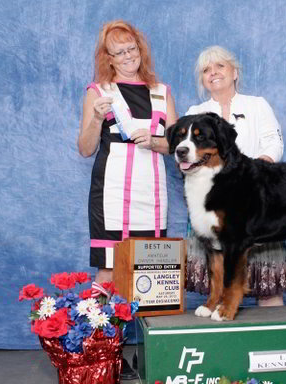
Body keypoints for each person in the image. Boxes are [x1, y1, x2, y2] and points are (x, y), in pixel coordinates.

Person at [78, 20, 177, 379]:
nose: (127, 56)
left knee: (150, 275)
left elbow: (178, 147)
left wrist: (156, 142)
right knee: (109, 271)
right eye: (119, 52)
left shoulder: (161, 91)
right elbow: (85, 148)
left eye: (132, 49)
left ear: (141, 49)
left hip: (152, 195)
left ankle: (147, 358)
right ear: (108, 57)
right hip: (111, 195)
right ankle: (98, 354)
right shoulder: (98, 91)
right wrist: (94, 118)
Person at [185, 45, 286, 306]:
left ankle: (273, 341)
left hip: (256, 202)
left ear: (234, 72)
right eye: (206, 70)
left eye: (220, 66)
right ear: (202, 79)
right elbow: (187, 158)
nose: (213, 73)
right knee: (219, 288)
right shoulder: (193, 113)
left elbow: (273, 144)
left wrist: (253, 175)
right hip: (212, 206)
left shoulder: (257, 105)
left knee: (268, 289)